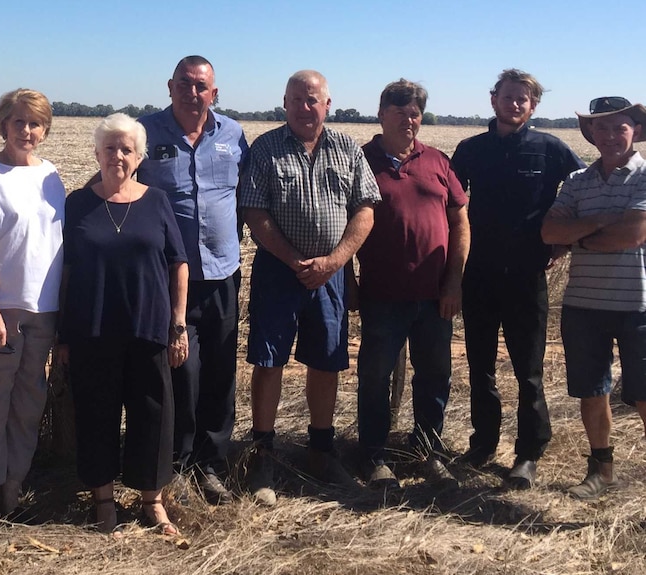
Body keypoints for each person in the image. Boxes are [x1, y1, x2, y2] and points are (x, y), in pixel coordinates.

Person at [239, 70, 380, 505]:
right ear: (285, 103)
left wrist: (334, 261)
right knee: (269, 359)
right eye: (297, 99)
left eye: (312, 99)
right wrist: (292, 259)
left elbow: (366, 208)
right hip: (279, 272)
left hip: (331, 275)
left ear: (327, 104)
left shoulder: (347, 149)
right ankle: (262, 453)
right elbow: (254, 210)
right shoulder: (265, 148)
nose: (305, 107)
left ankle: (321, 450)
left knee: (326, 360)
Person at [450, 69, 585, 489]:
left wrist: (564, 240)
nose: (515, 104)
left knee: (528, 370)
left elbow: (583, 189)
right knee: (480, 365)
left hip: (527, 277)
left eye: (523, 99)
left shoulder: (551, 149)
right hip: (480, 275)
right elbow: (449, 205)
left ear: (533, 106)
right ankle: (484, 441)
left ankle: (528, 452)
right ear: (493, 100)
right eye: (508, 97)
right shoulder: (470, 150)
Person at [56, 113, 188, 535]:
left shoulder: (156, 200)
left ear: (139, 156)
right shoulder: (78, 202)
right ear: (96, 153)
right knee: (96, 412)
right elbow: (64, 270)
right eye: (109, 147)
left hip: (148, 325)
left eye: (126, 148)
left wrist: (178, 324)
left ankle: (152, 501)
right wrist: (62, 334)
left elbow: (178, 263)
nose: (117, 155)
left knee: (154, 412)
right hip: (91, 326)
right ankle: (104, 501)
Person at [135, 55, 247, 504]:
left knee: (220, 370)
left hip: (222, 274)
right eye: (185, 83)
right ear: (170, 86)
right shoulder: (144, 133)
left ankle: (213, 463)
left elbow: (245, 198)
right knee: (180, 371)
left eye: (202, 86)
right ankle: (177, 461)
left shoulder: (234, 136)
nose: (193, 92)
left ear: (214, 93)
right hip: (166, 279)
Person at [357, 80, 470, 489]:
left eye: (416, 113)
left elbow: (460, 222)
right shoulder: (361, 159)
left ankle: (428, 452)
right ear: (382, 113)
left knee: (435, 375)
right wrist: (348, 277)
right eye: (401, 111)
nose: (410, 119)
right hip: (381, 294)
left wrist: (454, 281)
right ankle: (372, 455)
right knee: (375, 376)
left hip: (434, 294)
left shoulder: (437, 161)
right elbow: (342, 222)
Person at [0, 89, 65, 521]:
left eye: (35, 123)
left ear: (45, 130)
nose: (26, 130)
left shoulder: (52, 176)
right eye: (18, 121)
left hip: (44, 311)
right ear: (3, 124)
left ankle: (13, 489)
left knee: (28, 404)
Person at [541, 97, 646, 499]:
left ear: (634, 130)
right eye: (600, 128)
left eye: (618, 127)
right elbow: (550, 232)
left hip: (638, 305)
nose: (608, 135)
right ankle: (602, 471)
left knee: (643, 394)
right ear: (591, 134)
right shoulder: (577, 180)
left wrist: (578, 235)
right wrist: (604, 222)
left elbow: (633, 235)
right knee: (592, 390)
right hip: (583, 305)